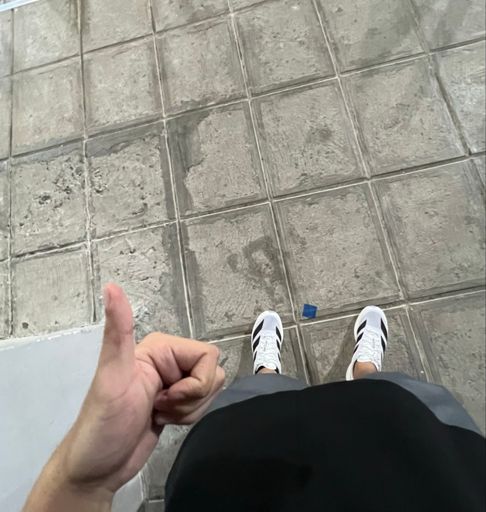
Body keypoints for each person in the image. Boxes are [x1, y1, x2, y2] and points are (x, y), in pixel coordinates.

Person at [23, 283, 484, 512]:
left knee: (255, 404)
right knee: (395, 403)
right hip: (425, 465)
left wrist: (83, 483)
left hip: (235, 480)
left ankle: (268, 374)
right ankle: (364, 374)